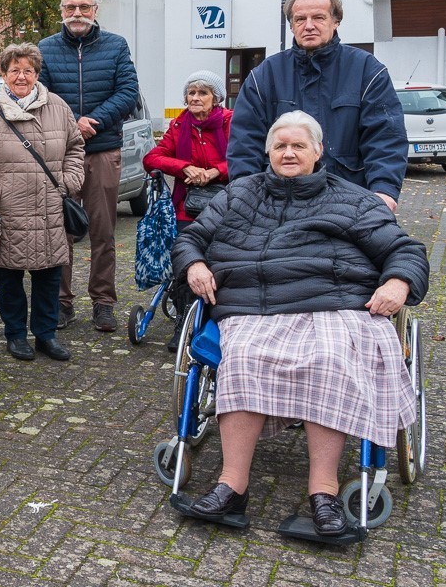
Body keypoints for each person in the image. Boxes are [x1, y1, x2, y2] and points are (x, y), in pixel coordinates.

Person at [172, 111, 428, 536]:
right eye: (280, 146)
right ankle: (231, 486)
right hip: (252, 305)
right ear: (268, 151)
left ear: (318, 151)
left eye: (298, 146)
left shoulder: (353, 200)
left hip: (334, 304)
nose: (288, 153)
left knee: (328, 359)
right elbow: (190, 238)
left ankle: (323, 494)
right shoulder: (239, 195)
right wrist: (195, 264)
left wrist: (400, 283)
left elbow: (405, 249)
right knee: (243, 357)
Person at [228, 0, 407, 212]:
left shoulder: (366, 71)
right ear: (291, 26)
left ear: (336, 22)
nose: (309, 25)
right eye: (300, 19)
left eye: (319, 17)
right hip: (278, 206)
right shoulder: (264, 75)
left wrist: (384, 190)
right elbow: (245, 143)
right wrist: (246, 195)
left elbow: (385, 137)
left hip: (350, 202)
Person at [0, 43, 85, 362]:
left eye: (27, 70)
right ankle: (15, 335)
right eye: (14, 70)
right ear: (3, 74)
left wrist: (69, 183)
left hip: (50, 209)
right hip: (7, 213)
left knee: (49, 277)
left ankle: (46, 335)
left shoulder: (58, 107)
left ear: (36, 74)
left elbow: (75, 149)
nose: (21, 76)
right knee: (9, 278)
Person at [39, 0, 139, 333]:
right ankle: (61, 302)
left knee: (103, 231)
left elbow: (128, 93)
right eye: (70, 7)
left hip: (103, 148)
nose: (76, 12)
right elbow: (42, 94)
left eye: (83, 6)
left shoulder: (116, 45)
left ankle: (103, 302)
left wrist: (90, 122)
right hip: (60, 154)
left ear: (95, 10)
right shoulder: (46, 49)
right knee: (59, 231)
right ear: (62, 11)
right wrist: (72, 124)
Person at [143, 70, 232, 227]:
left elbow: (244, 158)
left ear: (216, 98)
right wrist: (185, 168)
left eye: (203, 93)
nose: (195, 98)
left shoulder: (231, 122)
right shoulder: (178, 125)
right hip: (189, 204)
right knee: (184, 247)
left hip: (228, 202)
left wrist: (216, 171)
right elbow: (151, 159)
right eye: (191, 93)